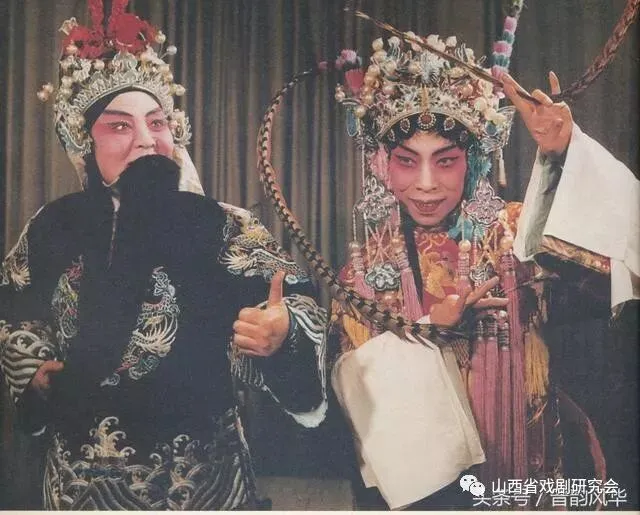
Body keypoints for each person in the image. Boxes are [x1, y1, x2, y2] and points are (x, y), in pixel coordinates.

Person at [0, 3, 327, 510]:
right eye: (119, 127)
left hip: (201, 482)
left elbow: (295, 302)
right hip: (79, 483)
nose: (147, 141)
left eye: (157, 123)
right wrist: (35, 370)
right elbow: (16, 305)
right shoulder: (54, 223)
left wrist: (283, 332)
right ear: (84, 141)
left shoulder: (224, 224)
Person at [328, 28, 638, 510]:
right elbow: (355, 400)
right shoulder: (363, 268)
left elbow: (616, 273)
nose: (426, 184)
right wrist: (427, 331)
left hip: (522, 464)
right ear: (381, 164)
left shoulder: (518, 235)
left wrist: (563, 155)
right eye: (407, 161)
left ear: (472, 160)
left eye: (446, 161)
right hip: (424, 490)